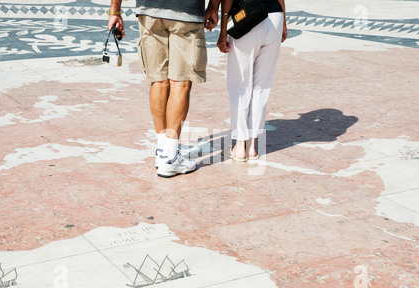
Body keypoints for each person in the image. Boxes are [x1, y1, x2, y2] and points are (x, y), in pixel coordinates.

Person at [108, 0, 220, 177]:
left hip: (150, 11)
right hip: (186, 12)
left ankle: (163, 152)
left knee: (159, 81)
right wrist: (214, 8)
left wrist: (114, 10)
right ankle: (169, 156)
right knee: (180, 82)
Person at [218, 0, 288, 162]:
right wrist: (283, 22)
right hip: (275, 16)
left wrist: (223, 30)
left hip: (249, 17)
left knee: (240, 84)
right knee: (262, 85)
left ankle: (240, 145)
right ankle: (252, 147)